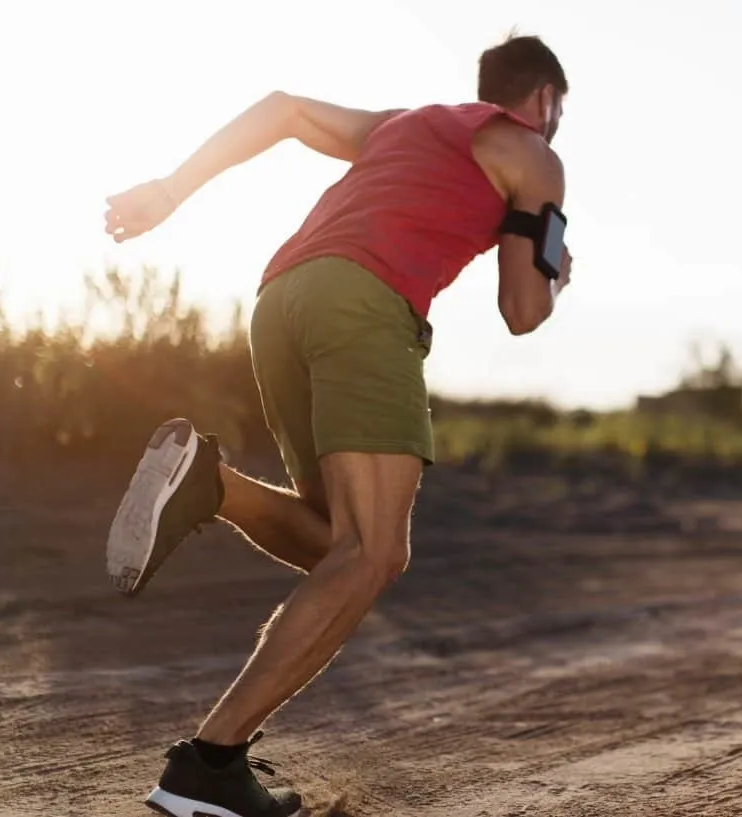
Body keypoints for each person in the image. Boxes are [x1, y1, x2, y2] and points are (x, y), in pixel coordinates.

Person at [101, 33, 572, 817]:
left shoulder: (405, 123)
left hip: (283, 300)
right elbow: (523, 311)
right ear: (547, 102)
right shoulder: (533, 153)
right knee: (375, 550)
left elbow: (284, 110)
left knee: (336, 540)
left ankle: (211, 484)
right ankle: (208, 767)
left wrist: (168, 191)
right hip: (364, 305)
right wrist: (556, 264)